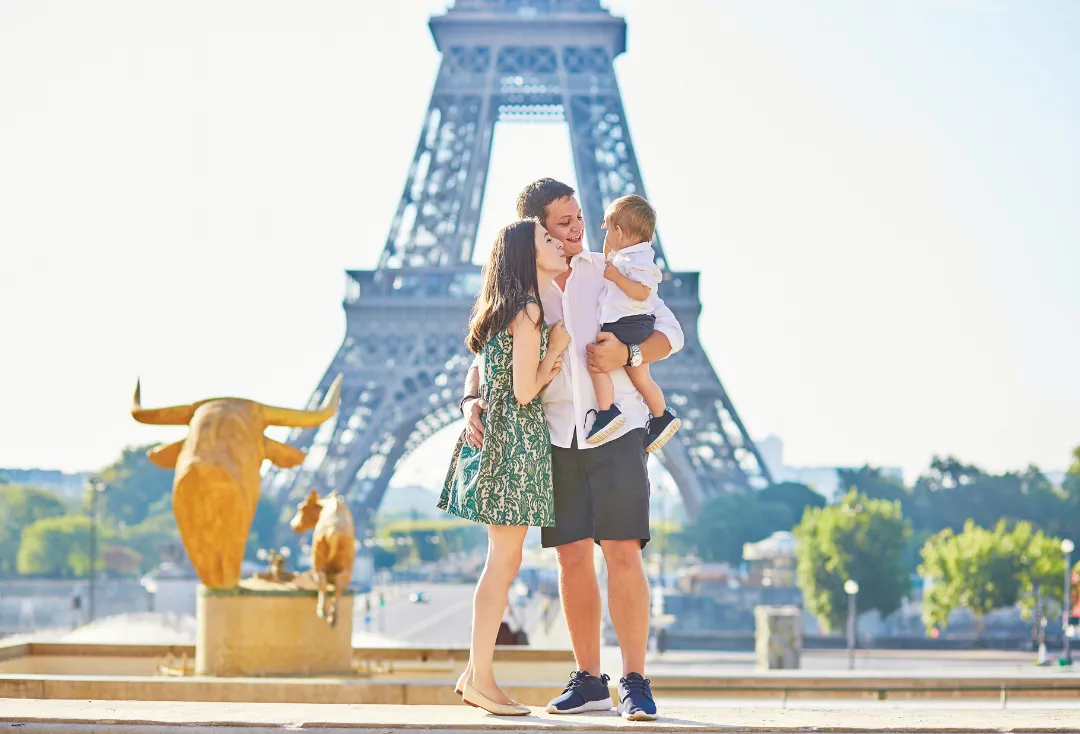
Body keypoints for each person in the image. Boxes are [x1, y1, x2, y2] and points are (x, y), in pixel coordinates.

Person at [460, 179, 684, 721]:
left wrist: (628, 350)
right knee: (572, 557)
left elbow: (672, 333)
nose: (578, 231)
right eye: (563, 224)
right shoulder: (521, 291)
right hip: (553, 436)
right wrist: (470, 399)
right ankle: (589, 679)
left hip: (619, 428)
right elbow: (483, 354)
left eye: (580, 218)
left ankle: (634, 679)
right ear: (536, 230)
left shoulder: (600, 271)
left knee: (624, 552)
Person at [439, 219, 571, 716]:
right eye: (548, 240)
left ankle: (477, 673)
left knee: (504, 562)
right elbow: (522, 391)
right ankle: (482, 680)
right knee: (502, 564)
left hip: (503, 444)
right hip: (515, 444)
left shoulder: (504, 308)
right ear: (526, 255)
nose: (559, 244)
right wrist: (555, 349)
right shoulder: (530, 310)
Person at [587, 194, 681, 452]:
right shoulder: (628, 257)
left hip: (626, 324)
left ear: (620, 231)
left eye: (609, 228)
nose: (604, 233)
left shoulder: (636, 262)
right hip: (634, 324)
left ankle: (607, 412)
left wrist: (616, 277)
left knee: (598, 364)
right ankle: (661, 417)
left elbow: (643, 292)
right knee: (641, 378)